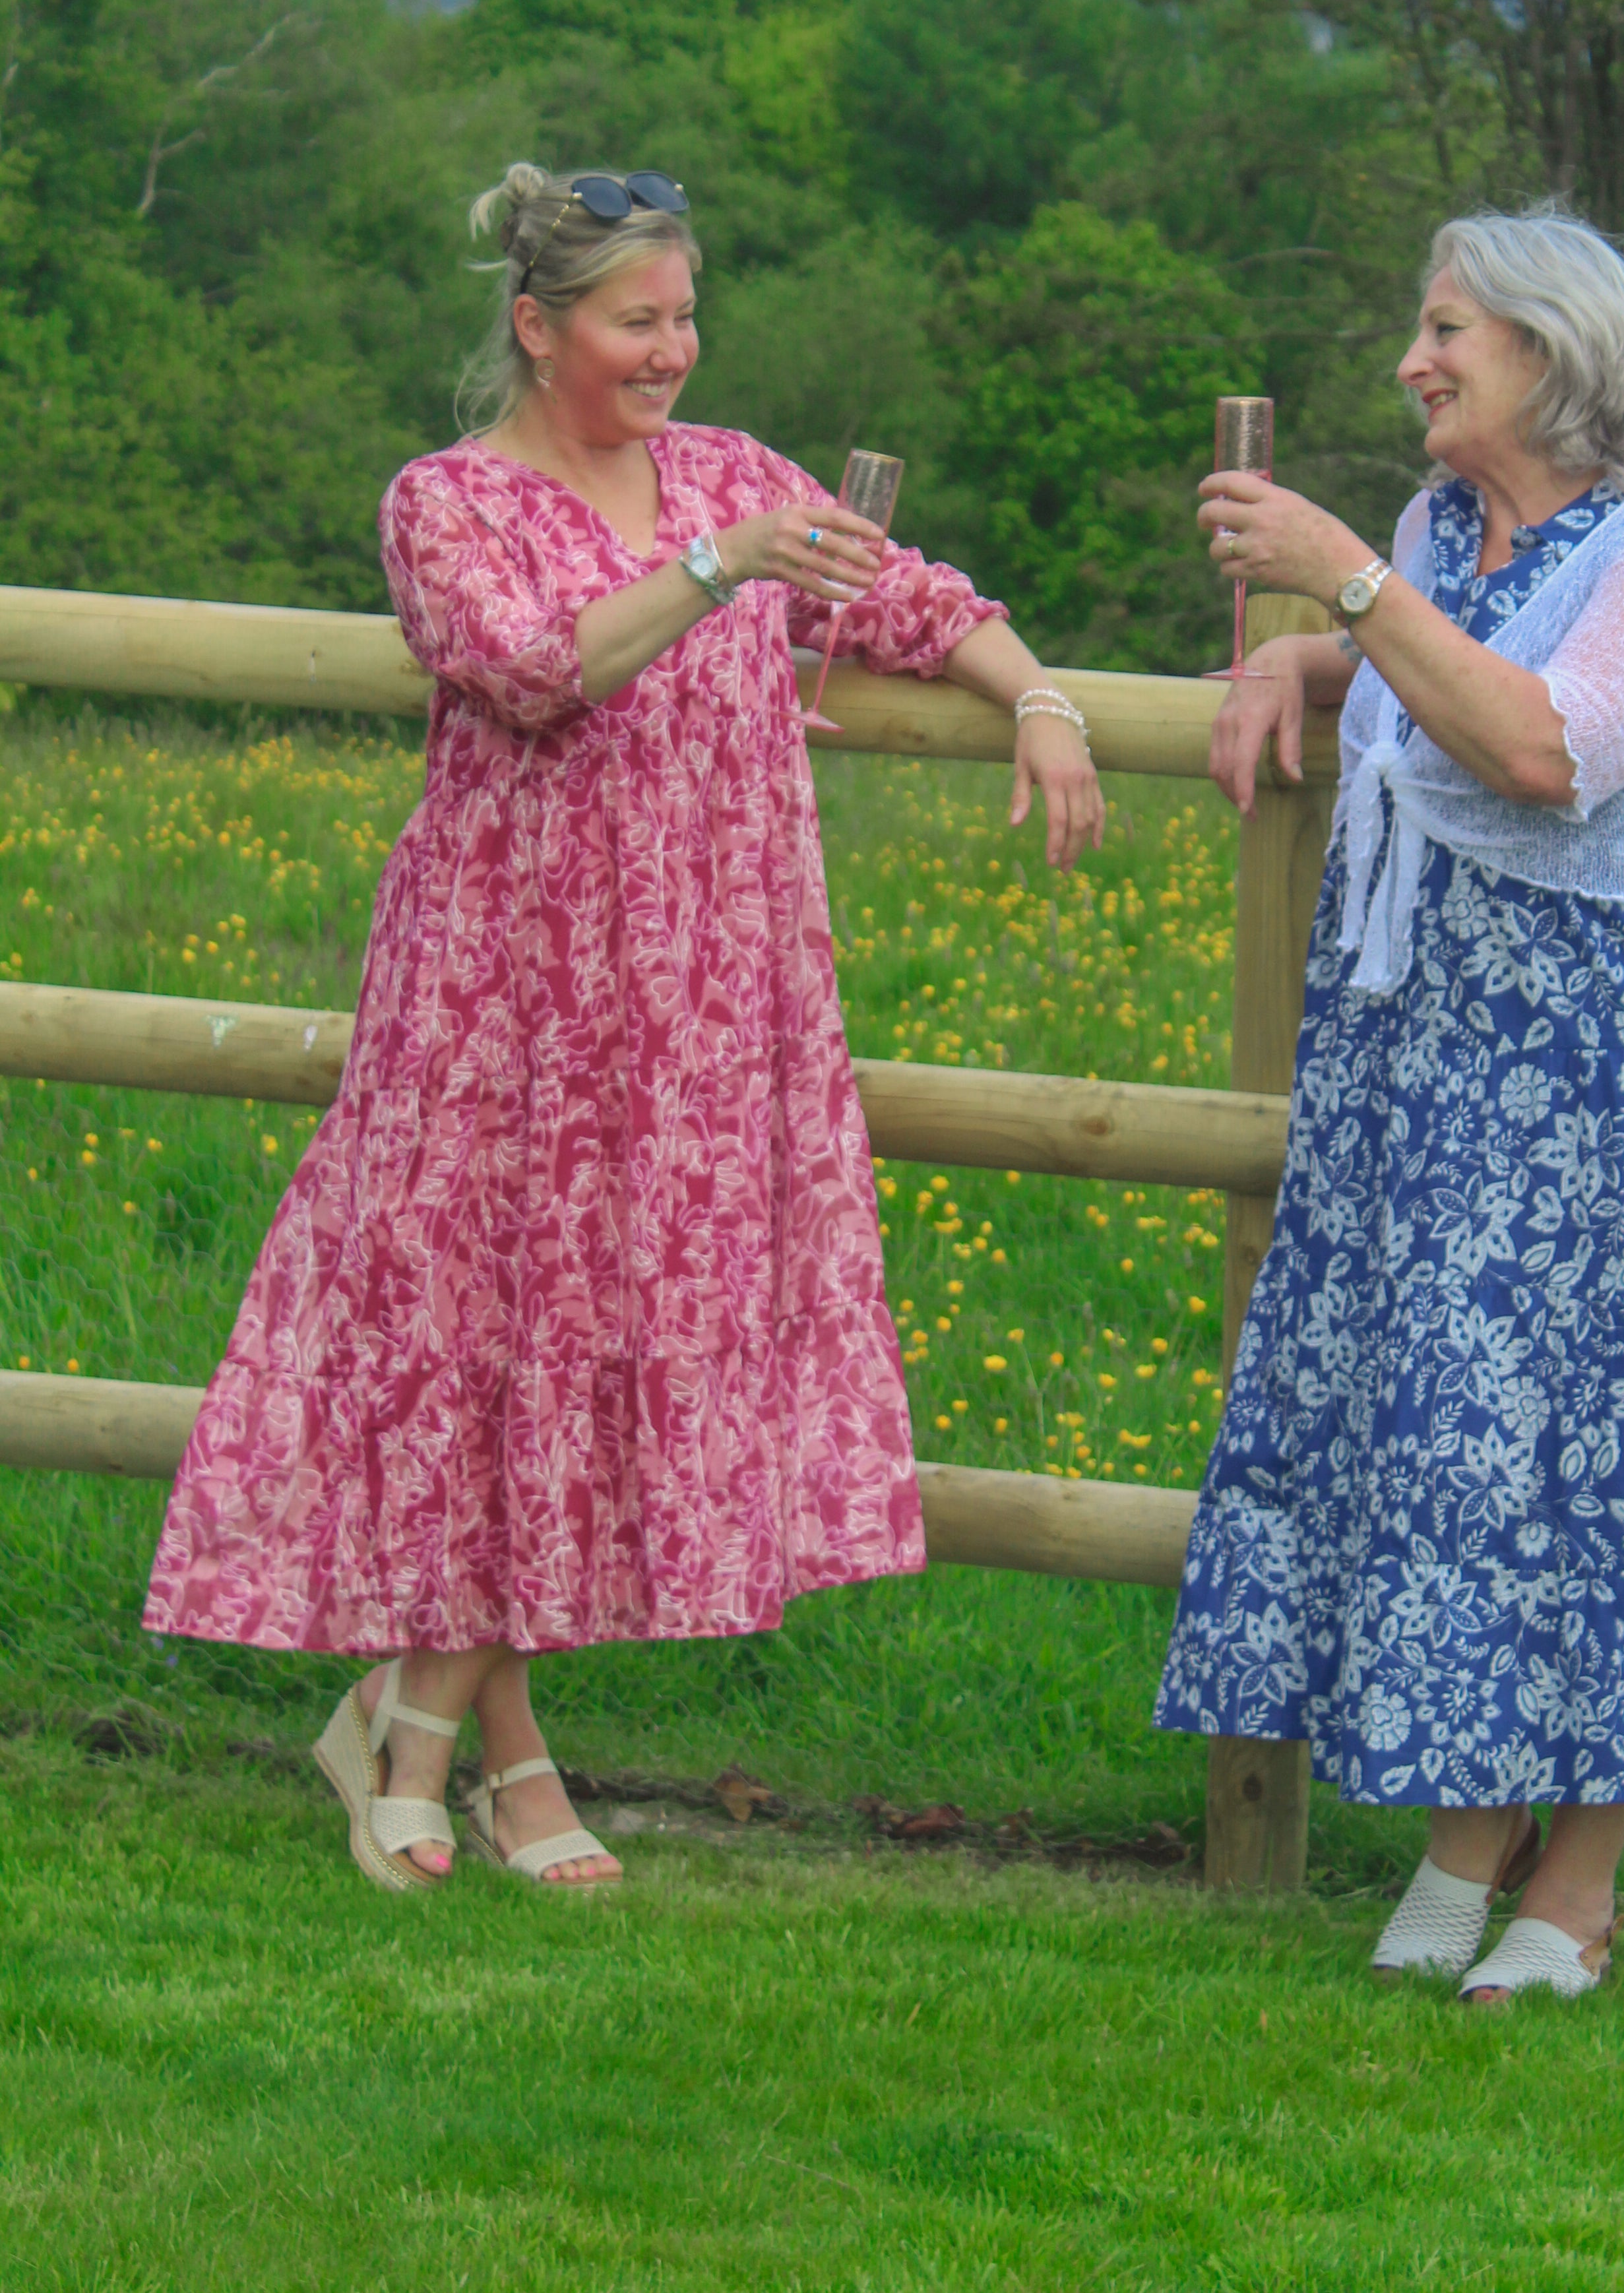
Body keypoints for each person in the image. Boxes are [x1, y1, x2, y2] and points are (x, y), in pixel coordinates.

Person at [144, 162, 1104, 1891]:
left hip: (700, 1005)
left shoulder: (735, 471)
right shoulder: (449, 499)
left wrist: (1035, 696)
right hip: (500, 991)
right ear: (537, 324)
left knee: (590, 1358)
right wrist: (718, 565)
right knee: (484, 1346)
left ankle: (434, 1729)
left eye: (684, 316)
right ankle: (461, 1746)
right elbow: (531, 668)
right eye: (635, 319)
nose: (673, 349)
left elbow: (904, 596)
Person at [1154, 205, 1624, 2004]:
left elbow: (1550, 746)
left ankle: (1586, 1868)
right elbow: (1421, 684)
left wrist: (1339, 591)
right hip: (1453, 1056)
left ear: (1552, 352)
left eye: (1448, 329)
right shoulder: (1435, 533)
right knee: (1466, 1431)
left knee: (1618, 1440)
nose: (1413, 358)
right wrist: (1295, 653)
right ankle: (1468, 1828)